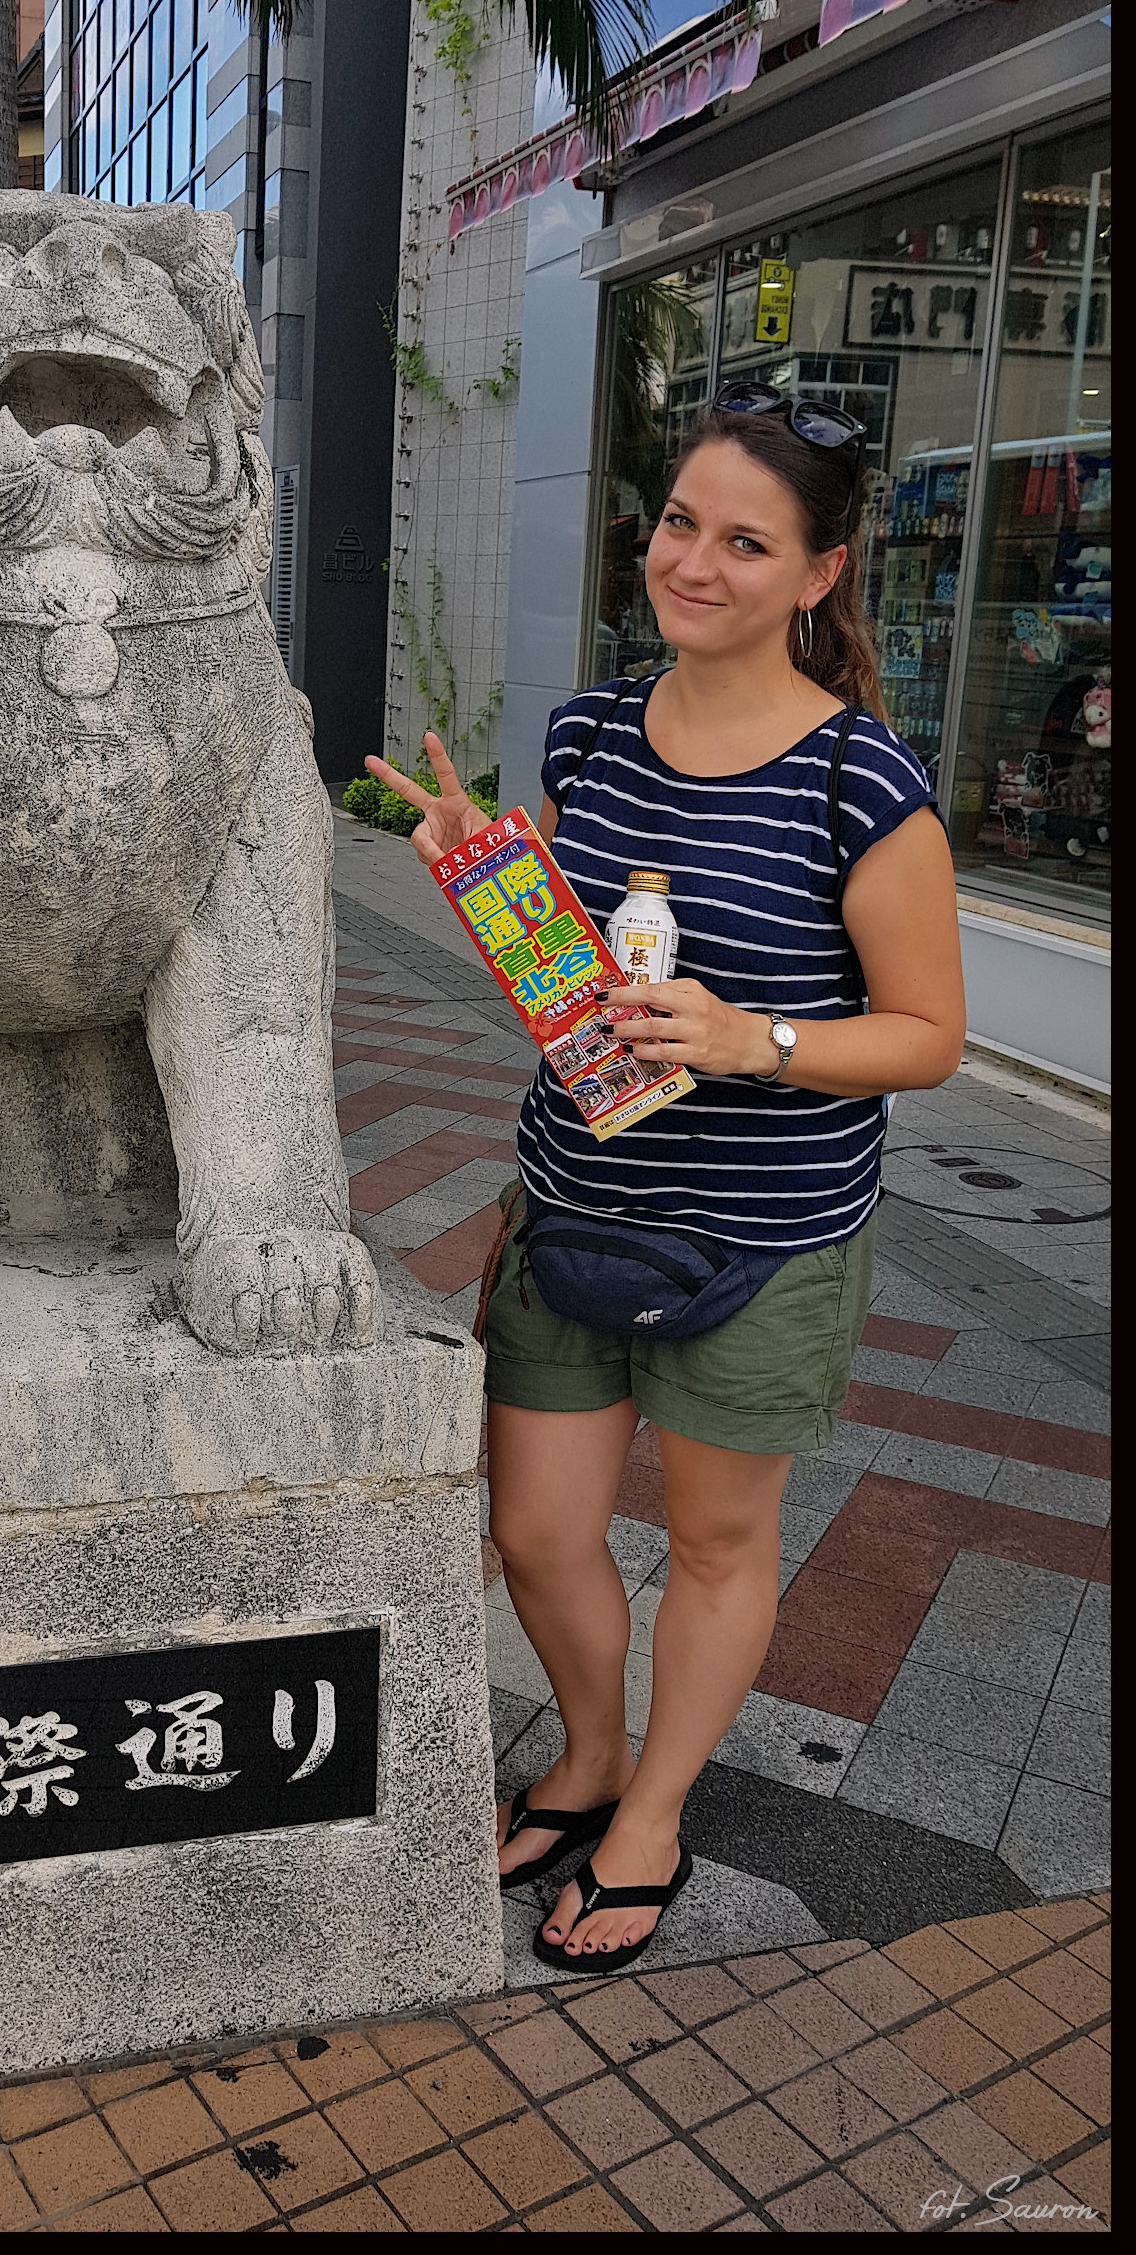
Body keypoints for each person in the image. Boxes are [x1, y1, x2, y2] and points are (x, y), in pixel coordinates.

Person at [365, 381, 965, 1972]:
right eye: (680, 524)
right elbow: (576, 985)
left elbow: (924, 1038)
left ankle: (650, 1815)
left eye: (744, 543)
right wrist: (480, 873)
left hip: (763, 1237)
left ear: (818, 574)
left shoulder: (860, 785)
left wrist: (754, 1038)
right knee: (535, 1530)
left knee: (712, 1544)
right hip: (571, 1199)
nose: (692, 563)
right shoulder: (586, 733)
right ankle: (586, 1753)